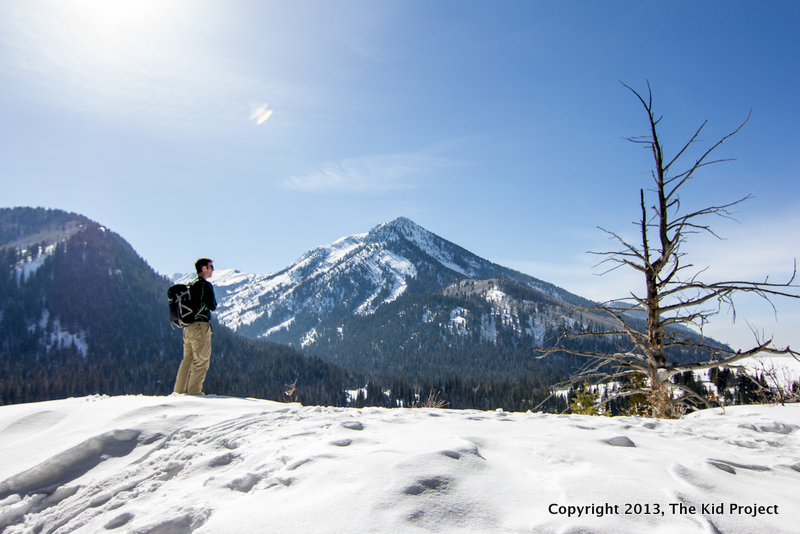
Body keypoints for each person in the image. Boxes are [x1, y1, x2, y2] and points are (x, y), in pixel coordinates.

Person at [173, 258, 217, 395]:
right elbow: (213, 306)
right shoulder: (205, 285)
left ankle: (178, 392)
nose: (213, 269)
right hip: (200, 327)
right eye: (211, 267)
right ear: (204, 268)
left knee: (187, 360)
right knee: (201, 361)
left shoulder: (189, 284)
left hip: (188, 328)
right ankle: (194, 393)